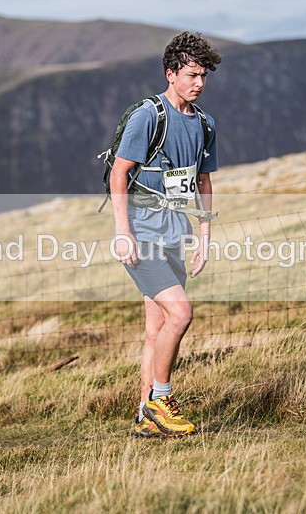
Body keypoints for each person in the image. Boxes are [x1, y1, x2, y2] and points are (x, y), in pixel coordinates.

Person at [109, 31, 222, 437]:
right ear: (171, 73)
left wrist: (205, 237)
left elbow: (203, 183)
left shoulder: (205, 124)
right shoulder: (147, 115)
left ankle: (145, 417)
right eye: (192, 74)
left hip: (177, 234)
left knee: (156, 330)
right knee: (182, 313)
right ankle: (162, 398)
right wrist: (122, 232)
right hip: (141, 236)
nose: (200, 83)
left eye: (204, 76)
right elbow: (119, 173)